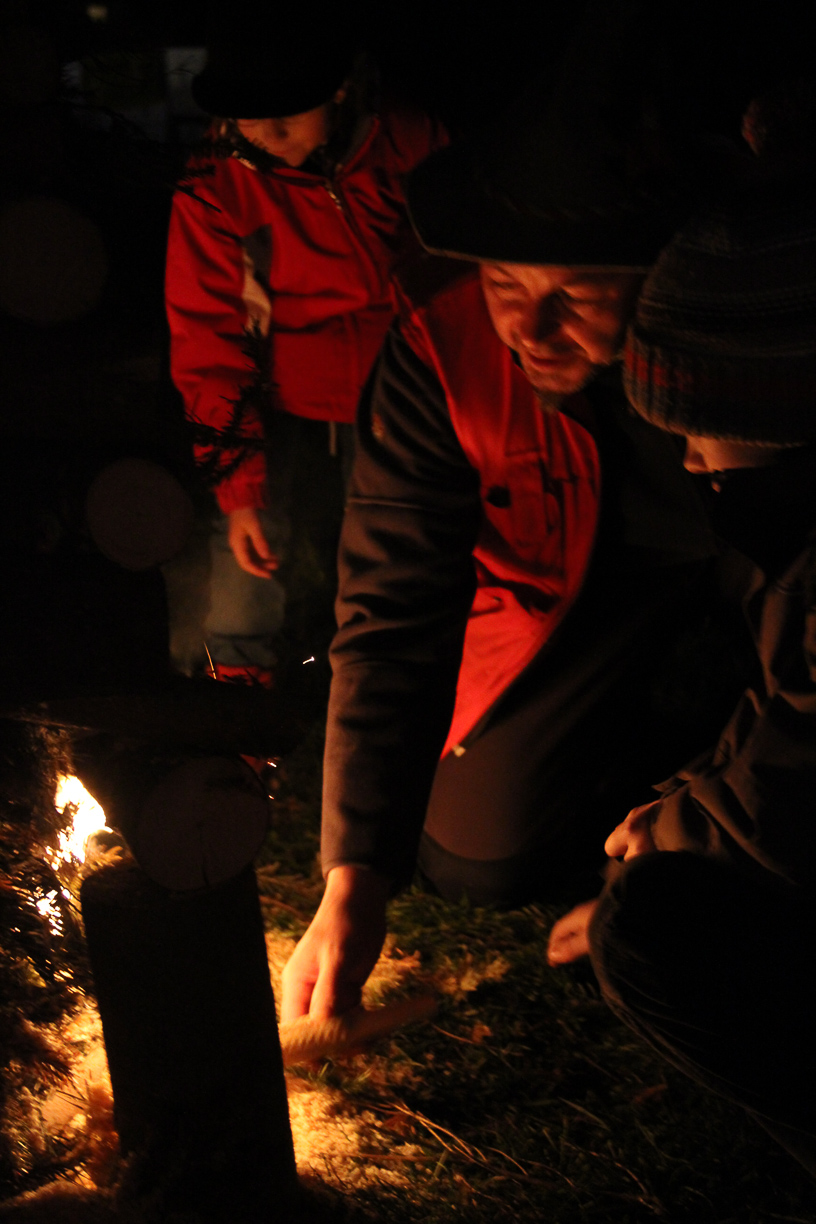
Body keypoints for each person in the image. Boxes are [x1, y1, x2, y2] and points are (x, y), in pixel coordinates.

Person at [280, 70, 717, 1023]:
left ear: (662, 272)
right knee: (474, 857)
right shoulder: (442, 345)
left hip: (730, 603)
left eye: (577, 291)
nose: (528, 326)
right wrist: (355, 874)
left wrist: (707, 824)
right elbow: (394, 604)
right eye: (505, 281)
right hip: (562, 609)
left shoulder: (737, 353)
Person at [546, 181, 816, 1174]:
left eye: (701, 432)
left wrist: (672, 838)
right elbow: (776, 713)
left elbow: (798, 788)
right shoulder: (793, 555)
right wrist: (682, 801)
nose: (692, 462)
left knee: (648, 933)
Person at [165, 2, 444, 686]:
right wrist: (239, 492)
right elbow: (207, 342)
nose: (267, 134)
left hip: (399, 382)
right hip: (277, 389)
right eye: (248, 118)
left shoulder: (407, 144)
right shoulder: (215, 184)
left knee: (390, 554)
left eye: (288, 113)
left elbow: (453, 278)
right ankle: (239, 701)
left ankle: (385, 693)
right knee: (248, 546)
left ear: (340, 89)